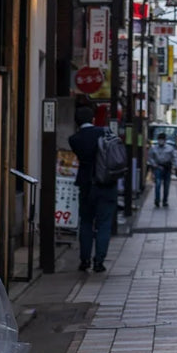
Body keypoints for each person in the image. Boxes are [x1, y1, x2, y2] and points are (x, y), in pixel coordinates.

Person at [68, 104, 118, 273]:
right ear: (93, 119)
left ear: (76, 122)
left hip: (86, 185)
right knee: (104, 224)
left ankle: (85, 260)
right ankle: (99, 261)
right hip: (106, 184)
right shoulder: (104, 132)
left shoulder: (74, 139)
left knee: (86, 222)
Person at [147, 134, 174, 207]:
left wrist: (175, 166)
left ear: (165, 140)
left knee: (166, 185)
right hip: (158, 167)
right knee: (158, 184)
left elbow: (174, 157)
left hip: (167, 168)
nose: (161, 141)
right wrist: (154, 164)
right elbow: (149, 157)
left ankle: (165, 200)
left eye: (162, 139)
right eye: (160, 139)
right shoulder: (153, 148)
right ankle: (157, 200)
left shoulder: (170, 148)